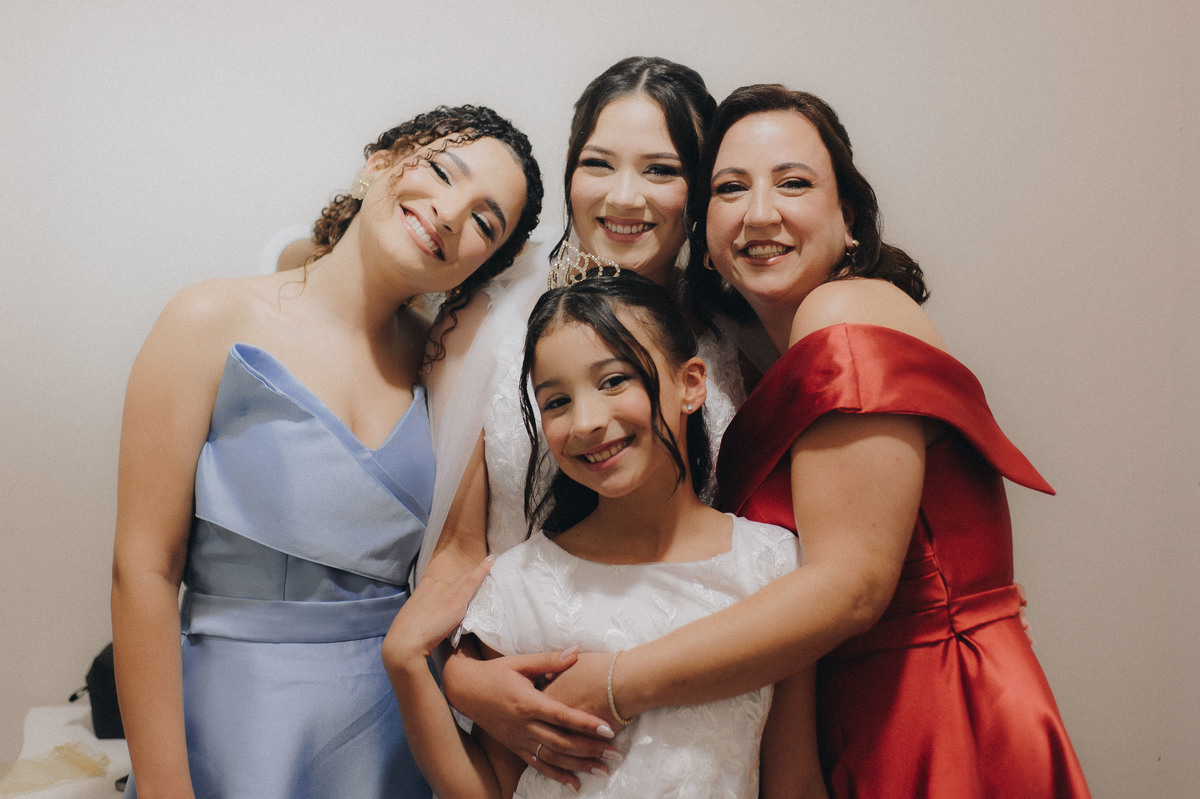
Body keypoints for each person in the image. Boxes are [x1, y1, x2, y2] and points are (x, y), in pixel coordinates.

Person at [444, 85, 1091, 797]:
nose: (759, 212)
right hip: (843, 707)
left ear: (849, 217)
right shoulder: (749, 360)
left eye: (793, 183)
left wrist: (619, 683)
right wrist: (466, 677)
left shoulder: (841, 311)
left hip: (934, 702)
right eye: (731, 187)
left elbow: (851, 589)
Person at [110, 104, 543, 799]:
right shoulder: (209, 319)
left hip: (394, 733)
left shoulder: (447, 369)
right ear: (380, 163)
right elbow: (143, 569)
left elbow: (459, 558)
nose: (449, 213)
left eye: (485, 223)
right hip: (236, 728)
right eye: (441, 172)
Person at [383, 274, 827, 798]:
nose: (586, 422)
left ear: (690, 384)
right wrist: (406, 667)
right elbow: (493, 789)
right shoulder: (521, 584)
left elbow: (794, 777)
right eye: (556, 402)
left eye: (614, 381)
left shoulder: (774, 566)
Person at [416, 56, 747, 592]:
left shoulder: (735, 331)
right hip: (516, 628)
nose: (623, 198)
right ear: (570, 168)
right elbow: (457, 548)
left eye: (660, 170)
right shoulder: (484, 320)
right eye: (598, 164)